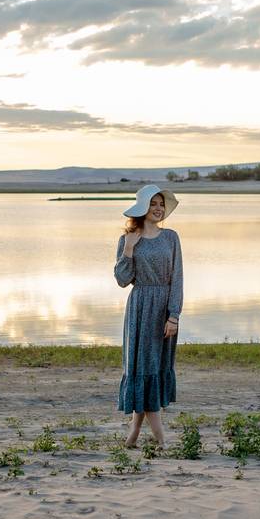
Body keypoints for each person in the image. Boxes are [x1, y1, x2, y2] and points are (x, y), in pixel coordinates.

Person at [114, 184, 184, 449]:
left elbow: (177, 278)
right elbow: (122, 280)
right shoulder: (128, 239)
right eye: (153, 204)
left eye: (161, 204)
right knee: (142, 368)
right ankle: (160, 438)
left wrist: (174, 315)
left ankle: (133, 434)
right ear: (142, 207)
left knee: (153, 368)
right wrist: (128, 249)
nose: (158, 208)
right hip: (140, 308)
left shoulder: (171, 238)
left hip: (164, 309)